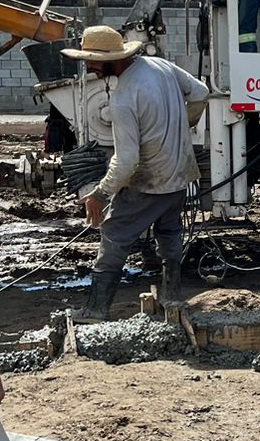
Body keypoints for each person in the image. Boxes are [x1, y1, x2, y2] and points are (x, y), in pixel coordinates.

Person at [70, 25, 210, 319]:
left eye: (92, 60)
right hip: (179, 175)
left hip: (148, 181)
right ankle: (171, 296)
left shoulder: (123, 98)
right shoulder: (159, 65)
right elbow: (200, 92)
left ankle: (96, 308)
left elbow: (127, 160)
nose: (89, 66)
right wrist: (184, 124)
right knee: (169, 231)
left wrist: (100, 193)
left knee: (114, 234)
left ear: (111, 59)